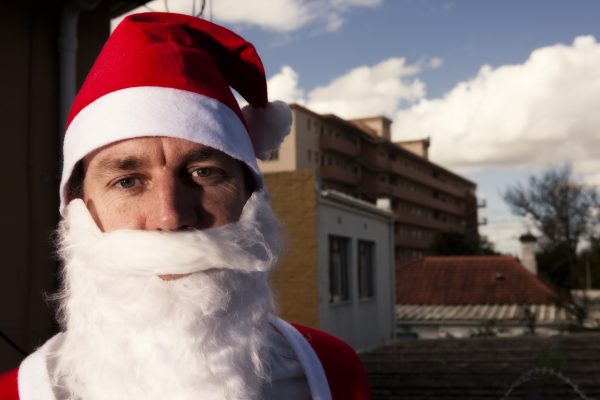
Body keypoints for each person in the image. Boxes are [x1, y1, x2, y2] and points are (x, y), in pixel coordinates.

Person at [0, 12, 371, 400]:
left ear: (252, 199)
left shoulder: (332, 374)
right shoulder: (16, 393)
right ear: (78, 213)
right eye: (127, 181)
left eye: (204, 173)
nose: (171, 217)